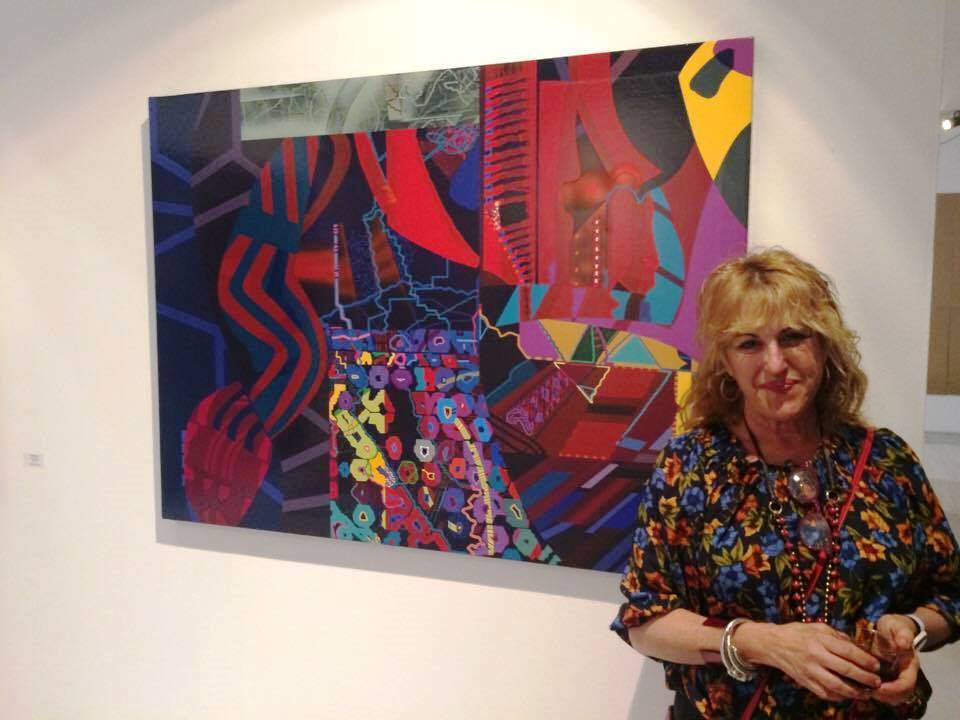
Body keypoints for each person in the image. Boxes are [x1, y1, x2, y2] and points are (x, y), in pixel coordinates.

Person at [611, 248, 960, 719]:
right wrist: (763, 643)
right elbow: (644, 621)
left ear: (825, 345)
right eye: (749, 344)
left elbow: (950, 594)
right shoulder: (690, 465)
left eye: (793, 337)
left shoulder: (887, 460)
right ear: (725, 360)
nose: (775, 364)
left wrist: (910, 629)